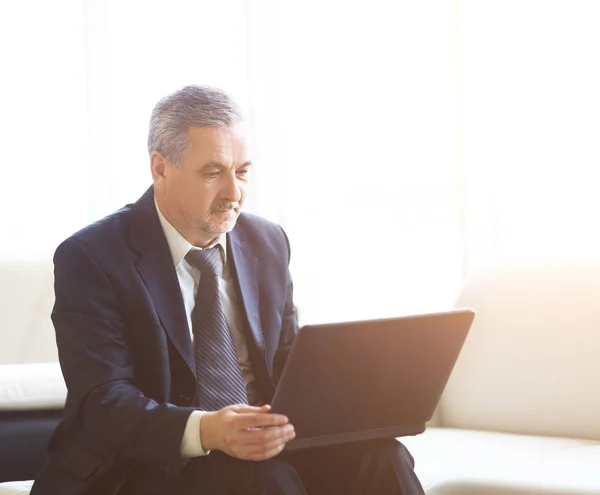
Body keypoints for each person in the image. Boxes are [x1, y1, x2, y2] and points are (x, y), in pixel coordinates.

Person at [31, 85, 425, 495]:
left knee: (383, 457)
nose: (234, 193)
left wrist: (367, 391)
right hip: (148, 461)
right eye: (213, 172)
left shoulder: (267, 242)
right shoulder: (92, 257)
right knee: (261, 480)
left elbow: (288, 363)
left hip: (260, 445)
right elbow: (103, 402)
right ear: (160, 168)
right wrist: (209, 431)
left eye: (242, 172)